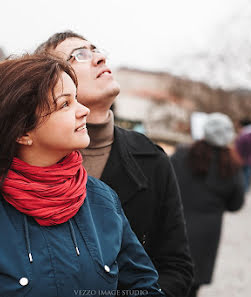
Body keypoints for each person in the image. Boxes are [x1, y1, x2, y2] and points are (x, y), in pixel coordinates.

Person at [0, 54, 165, 296]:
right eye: (65, 104)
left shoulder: (103, 201)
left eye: (76, 98)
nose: (83, 110)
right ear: (22, 132)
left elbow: (143, 287)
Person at [36, 31, 194, 297]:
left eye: (96, 50)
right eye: (80, 55)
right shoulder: (27, 157)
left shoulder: (152, 160)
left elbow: (176, 267)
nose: (98, 58)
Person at [170, 113, 245, 297]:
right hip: (207, 234)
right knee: (191, 286)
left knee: (166, 280)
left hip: (175, 225)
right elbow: (236, 204)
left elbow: (164, 185)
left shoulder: (182, 155)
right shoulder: (232, 166)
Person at [235, 118, 251, 191]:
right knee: (246, 178)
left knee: (242, 179)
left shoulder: (246, 135)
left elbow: (240, 147)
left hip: (242, 159)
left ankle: (241, 192)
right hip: (250, 159)